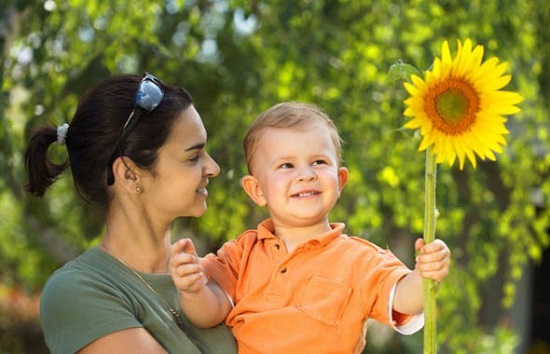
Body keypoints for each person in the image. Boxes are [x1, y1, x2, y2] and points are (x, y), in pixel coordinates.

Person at [170, 102, 452, 353]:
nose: (306, 175)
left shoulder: (359, 260)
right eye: (286, 166)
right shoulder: (241, 255)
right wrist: (193, 290)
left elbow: (405, 299)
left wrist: (426, 273)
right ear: (257, 190)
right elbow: (209, 312)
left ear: (340, 180)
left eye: (318, 162)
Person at [25, 73, 237, 354]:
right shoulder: (76, 292)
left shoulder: (214, 276)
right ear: (129, 174)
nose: (213, 168)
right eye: (193, 156)